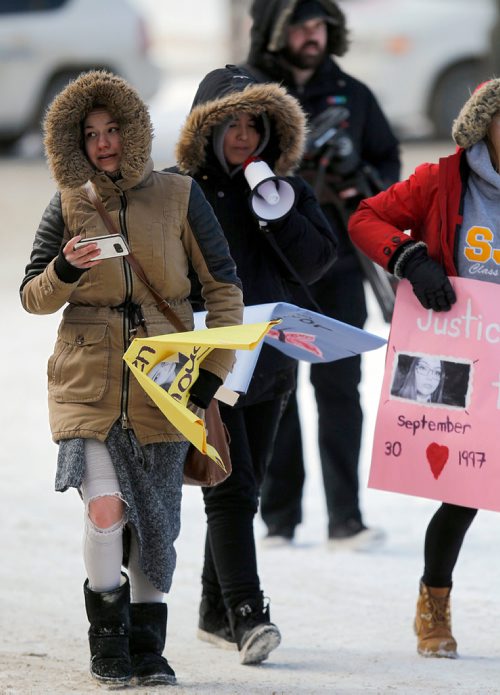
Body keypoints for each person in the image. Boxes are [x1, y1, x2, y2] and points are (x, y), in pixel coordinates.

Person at [19, 70, 244, 687]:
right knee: (106, 511)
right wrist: (64, 268)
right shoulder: (66, 200)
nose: (103, 143)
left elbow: (224, 290)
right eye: (90, 134)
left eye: (113, 129)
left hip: (165, 378)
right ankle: (108, 643)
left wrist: (211, 373)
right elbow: (32, 297)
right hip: (86, 375)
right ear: (75, 142)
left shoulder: (179, 196)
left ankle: (148, 647)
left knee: (157, 522)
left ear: (134, 129)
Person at [172, 64, 337, 663]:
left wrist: (277, 210)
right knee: (232, 489)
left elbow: (318, 261)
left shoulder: (284, 190)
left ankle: (213, 610)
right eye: (230, 124)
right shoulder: (179, 190)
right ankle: (247, 613)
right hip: (211, 360)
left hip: (271, 362)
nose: (243, 136)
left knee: (250, 486)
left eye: (254, 124)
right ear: (205, 130)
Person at [348, 77, 500, 658]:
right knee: (465, 489)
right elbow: (366, 218)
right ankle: (434, 603)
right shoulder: (443, 179)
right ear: (485, 123)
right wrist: (411, 259)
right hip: (457, 353)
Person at [244, 0, 401, 549]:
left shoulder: (354, 95)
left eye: (320, 26)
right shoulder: (247, 93)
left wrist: (360, 176)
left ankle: (345, 519)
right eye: (300, 26)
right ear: (274, 32)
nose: (312, 36)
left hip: (336, 268)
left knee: (339, 389)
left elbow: (389, 169)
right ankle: (279, 519)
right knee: (272, 391)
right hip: (271, 272)